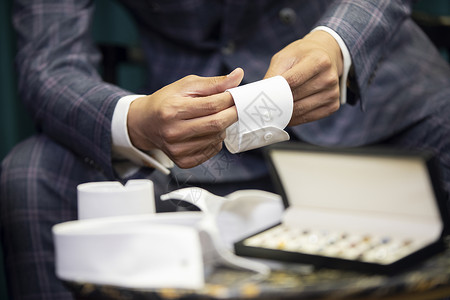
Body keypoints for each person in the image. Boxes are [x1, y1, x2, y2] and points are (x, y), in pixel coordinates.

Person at [1, 0, 449, 299]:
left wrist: (336, 43)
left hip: (381, 110)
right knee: (32, 175)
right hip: (194, 144)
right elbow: (49, 62)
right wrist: (135, 119)